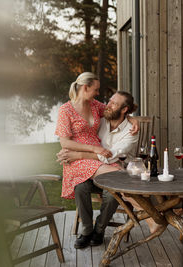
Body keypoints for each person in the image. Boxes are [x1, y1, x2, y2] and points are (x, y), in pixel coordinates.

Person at [54, 72, 138, 249]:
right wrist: (93, 148)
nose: (98, 93)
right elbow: (65, 142)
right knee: (117, 178)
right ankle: (86, 231)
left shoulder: (94, 106)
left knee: (112, 189)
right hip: (78, 157)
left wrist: (132, 118)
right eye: (96, 89)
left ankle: (99, 229)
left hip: (100, 158)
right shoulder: (66, 110)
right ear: (85, 88)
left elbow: (116, 110)